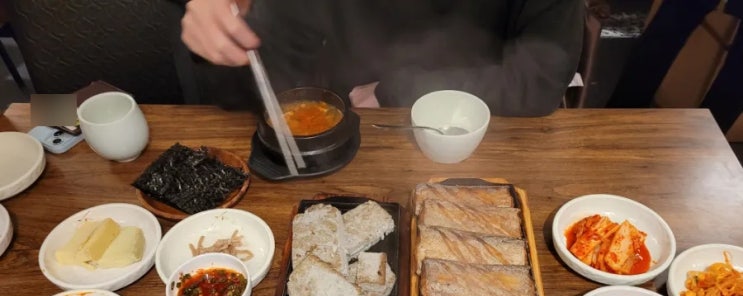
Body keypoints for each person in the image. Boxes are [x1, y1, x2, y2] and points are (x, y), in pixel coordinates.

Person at [179, 0, 585, 116]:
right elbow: (268, 81)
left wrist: (398, 90)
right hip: (351, 128)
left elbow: (538, 83)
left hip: (485, 132)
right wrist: (222, 36)